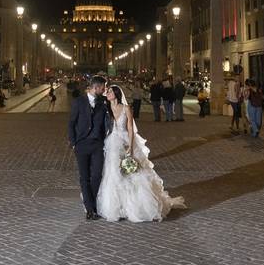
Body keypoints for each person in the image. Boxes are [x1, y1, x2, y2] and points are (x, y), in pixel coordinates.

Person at [96, 84, 186, 222]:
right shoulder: (106, 108)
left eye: (110, 92)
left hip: (125, 141)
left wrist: (131, 147)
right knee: (113, 173)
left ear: (117, 94)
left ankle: (136, 206)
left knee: (134, 173)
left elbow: (130, 129)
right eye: (107, 92)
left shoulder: (126, 108)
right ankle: (118, 207)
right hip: (112, 144)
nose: (108, 93)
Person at [67, 76, 112, 221]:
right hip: (82, 144)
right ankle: (90, 209)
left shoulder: (103, 102)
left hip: (97, 144)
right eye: (103, 88)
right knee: (84, 177)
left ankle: (90, 204)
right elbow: (71, 123)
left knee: (97, 175)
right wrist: (74, 142)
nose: (104, 90)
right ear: (96, 87)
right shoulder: (78, 102)